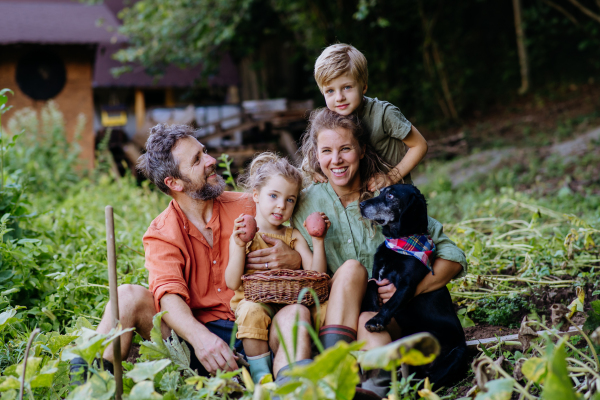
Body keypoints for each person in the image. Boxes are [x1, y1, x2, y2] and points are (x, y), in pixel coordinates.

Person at [71, 124, 309, 380]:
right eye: (197, 160)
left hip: (257, 332)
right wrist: (201, 339)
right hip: (194, 343)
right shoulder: (161, 231)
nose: (211, 160)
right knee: (127, 296)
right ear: (174, 182)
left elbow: (298, 241)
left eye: (204, 151)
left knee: (294, 314)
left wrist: (295, 258)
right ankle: (89, 383)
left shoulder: (252, 206)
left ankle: (288, 389)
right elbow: (167, 296)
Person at [292, 108, 467, 396]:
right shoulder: (305, 202)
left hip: (385, 316)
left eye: (345, 149)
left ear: (361, 149)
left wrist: (410, 289)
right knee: (351, 271)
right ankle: (338, 375)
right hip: (334, 313)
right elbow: (273, 220)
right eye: (326, 151)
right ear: (316, 154)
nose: (335, 160)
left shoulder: (386, 196)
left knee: (368, 322)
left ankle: (372, 391)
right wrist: (286, 253)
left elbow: (452, 256)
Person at [224, 152, 330, 383]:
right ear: (256, 195)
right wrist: (240, 245)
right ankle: (261, 377)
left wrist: (319, 240)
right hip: (256, 303)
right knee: (251, 311)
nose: (281, 206)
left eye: (290, 199)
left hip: (291, 306)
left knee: (327, 307)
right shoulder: (243, 234)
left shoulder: (293, 236)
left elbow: (316, 274)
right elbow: (232, 282)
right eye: (273, 195)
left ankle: (325, 365)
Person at [308, 43, 429, 192]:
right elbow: (316, 153)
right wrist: (313, 170)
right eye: (330, 91)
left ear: (364, 86)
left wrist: (391, 177)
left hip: (395, 194)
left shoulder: (384, 113)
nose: (339, 98)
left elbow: (419, 145)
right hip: (360, 199)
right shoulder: (328, 122)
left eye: (347, 87)